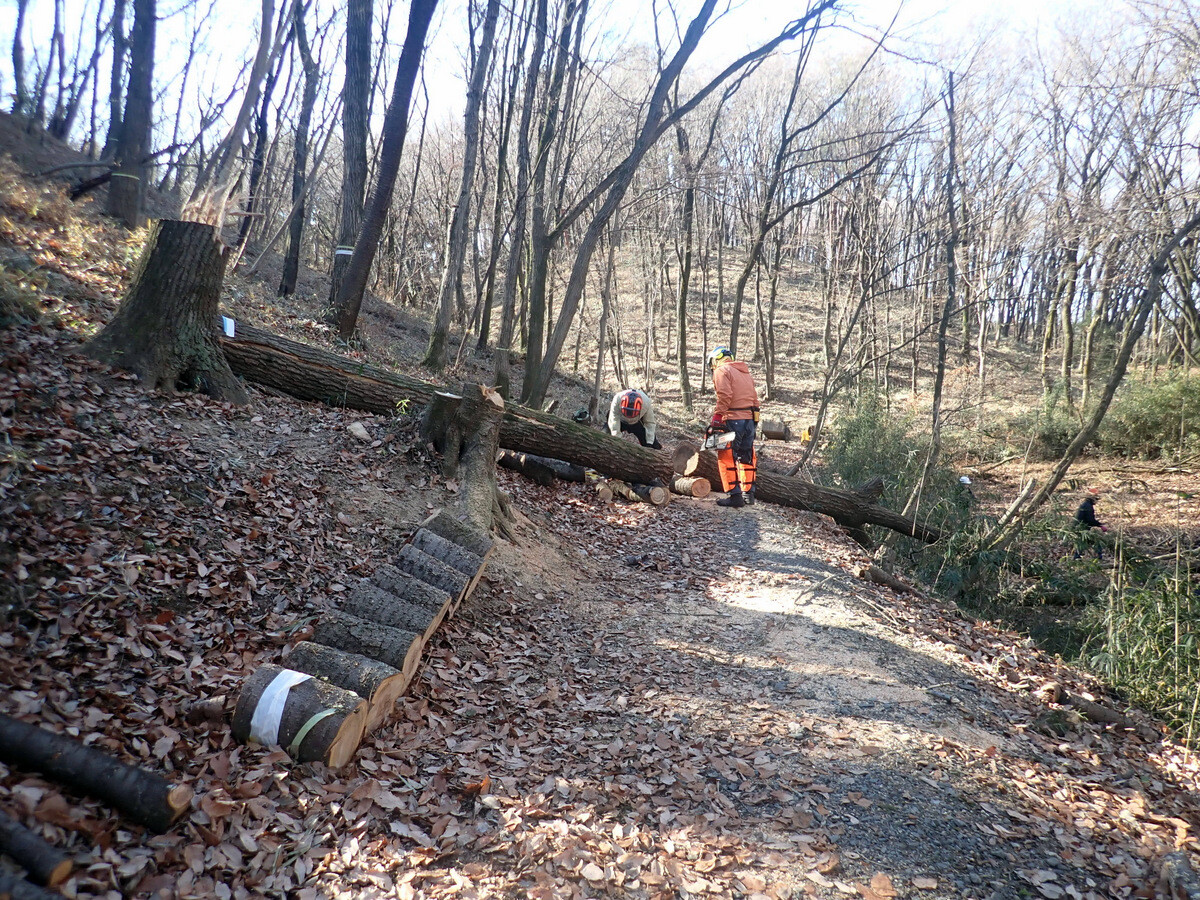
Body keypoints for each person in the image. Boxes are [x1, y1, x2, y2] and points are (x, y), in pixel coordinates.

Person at [706, 345, 759, 508]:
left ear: (716, 359)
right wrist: (754, 420)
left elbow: (725, 396)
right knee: (746, 456)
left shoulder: (722, 370)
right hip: (749, 420)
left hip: (733, 419)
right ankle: (748, 494)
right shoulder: (744, 372)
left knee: (726, 456)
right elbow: (754, 398)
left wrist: (717, 417)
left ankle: (734, 496)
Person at [1072, 492, 1108, 560]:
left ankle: (1077, 557)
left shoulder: (1084, 504)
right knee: (1096, 541)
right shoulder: (1088, 506)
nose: (1097, 501)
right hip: (1082, 528)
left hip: (1078, 527)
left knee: (1082, 543)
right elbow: (1090, 520)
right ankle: (1099, 556)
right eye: (1096, 499)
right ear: (1093, 499)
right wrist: (1100, 525)